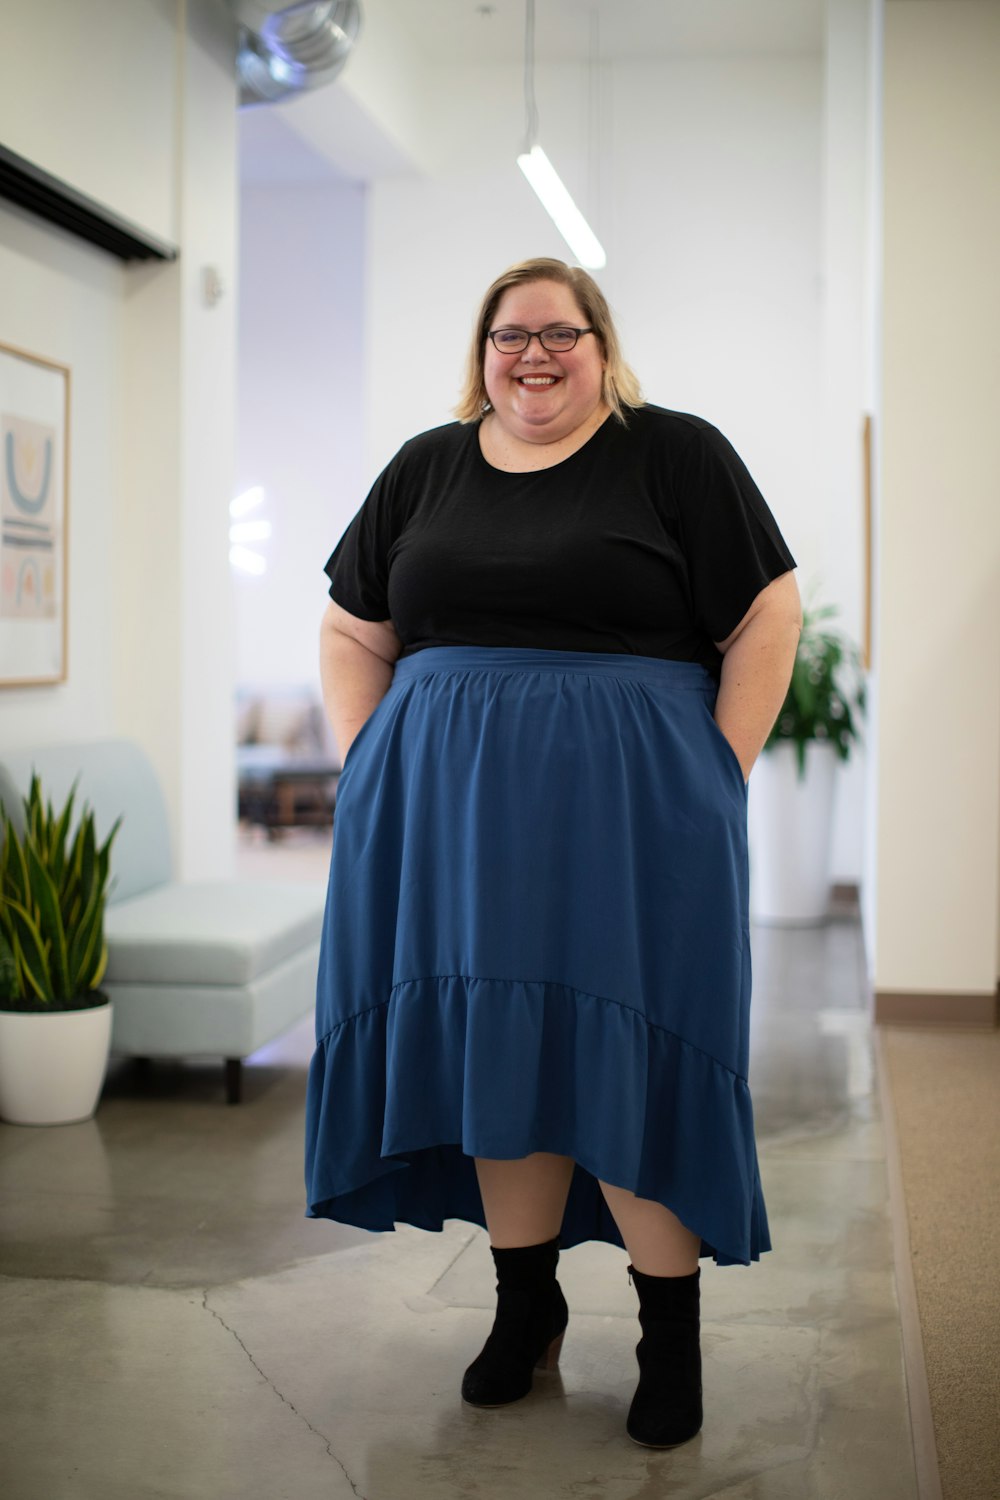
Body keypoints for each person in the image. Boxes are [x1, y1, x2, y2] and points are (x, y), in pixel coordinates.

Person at [305, 256, 801, 1448]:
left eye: (559, 333)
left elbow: (766, 611)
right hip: (449, 824)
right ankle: (522, 1312)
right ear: (480, 351)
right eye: (508, 333)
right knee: (502, 1056)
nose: (533, 353)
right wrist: (367, 764)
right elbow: (350, 625)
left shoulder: (674, 453)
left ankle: (666, 1338)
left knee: (629, 1057)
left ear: (602, 343)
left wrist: (713, 775)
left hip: (632, 821)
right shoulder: (427, 466)